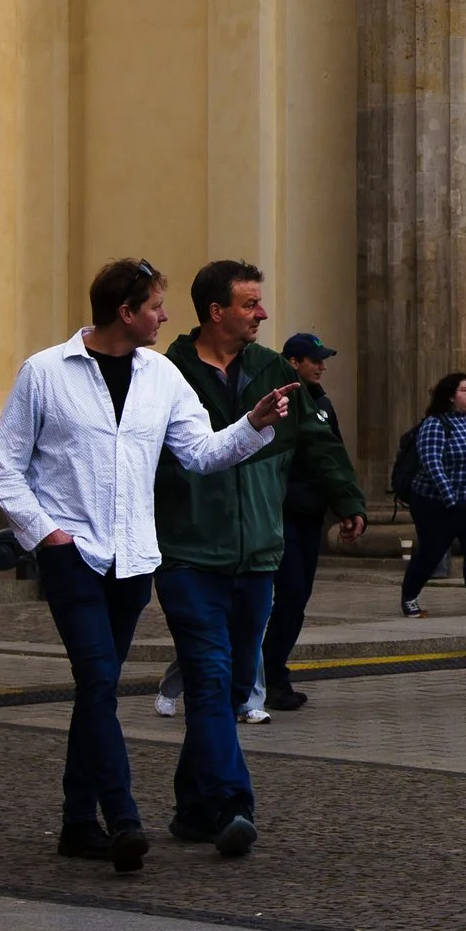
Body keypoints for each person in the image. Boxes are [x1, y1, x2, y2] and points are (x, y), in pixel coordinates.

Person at [0, 259, 291, 873]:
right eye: (156, 305)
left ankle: (78, 823)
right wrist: (46, 535)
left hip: (133, 560)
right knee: (100, 683)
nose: (166, 315)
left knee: (93, 689)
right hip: (72, 554)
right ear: (125, 312)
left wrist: (252, 425)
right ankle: (123, 817)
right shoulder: (46, 372)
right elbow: (5, 466)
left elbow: (201, 453)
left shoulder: (161, 376)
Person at [153, 261, 367, 849]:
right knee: (212, 674)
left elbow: (316, 440)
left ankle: (193, 809)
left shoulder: (274, 369)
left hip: (258, 553)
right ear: (216, 311)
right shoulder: (167, 374)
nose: (263, 313)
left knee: (226, 685)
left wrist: (346, 496)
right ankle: (230, 805)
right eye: (250, 304)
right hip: (190, 551)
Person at [261, 331, 357, 713]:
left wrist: (346, 504)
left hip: (310, 515)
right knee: (286, 595)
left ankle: (274, 671)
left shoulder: (322, 404)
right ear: (293, 363)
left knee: (297, 599)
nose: (322, 365)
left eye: (323, 359)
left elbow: (332, 456)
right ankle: (267, 675)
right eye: (313, 360)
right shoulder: (281, 402)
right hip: (281, 514)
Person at [399, 373, 466, 616]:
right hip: (441, 504)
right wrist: (450, 498)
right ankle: (410, 596)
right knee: (431, 552)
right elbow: (432, 462)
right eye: (464, 390)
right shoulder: (435, 424)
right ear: (450, 396)